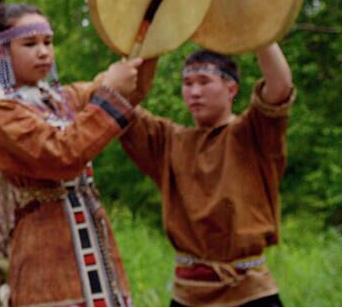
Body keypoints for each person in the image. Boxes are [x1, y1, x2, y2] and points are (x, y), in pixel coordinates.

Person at [0, 2, 147, 307]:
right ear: (2, 53)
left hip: (95, 246)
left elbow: (128, 89)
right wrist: (110, 91)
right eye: (29, 44)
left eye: (47, 42)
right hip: (44, 253)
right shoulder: (2, 112)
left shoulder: (64, 99)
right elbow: (63, 154)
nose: (43, 52)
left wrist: (150, 35)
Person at [117, 44, 295, 307]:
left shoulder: (252, 133)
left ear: (231, 89)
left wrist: (261, 35)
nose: (194, 92)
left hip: (249, 293)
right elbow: (118, 103)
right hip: (188, 295)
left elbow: (279, 87)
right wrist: (148, 40)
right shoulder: (168, 142)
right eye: (187, 83)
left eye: (204, 81)